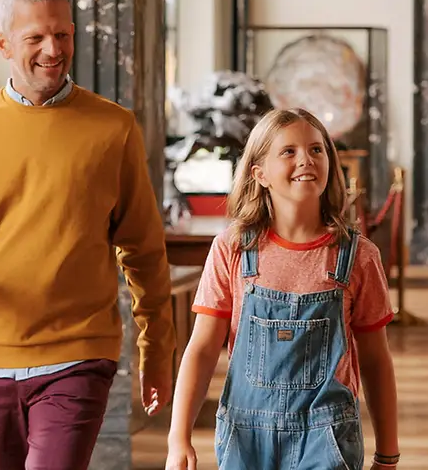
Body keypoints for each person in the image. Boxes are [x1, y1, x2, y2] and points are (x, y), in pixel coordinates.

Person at [0, 0, 174, 470]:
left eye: (63, 35)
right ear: (3, 43)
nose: (53, 50)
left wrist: (156, 352)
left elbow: (144, 250)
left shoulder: (114, 128)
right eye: (36, 38)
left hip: (79, 354)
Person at [164, 108, 402, 470]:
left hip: (327, 439)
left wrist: (388, 453)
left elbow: (375, 360)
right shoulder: (233, 249)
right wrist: (177, 437)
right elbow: (202, 348)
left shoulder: (358, 257)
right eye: (288, 151)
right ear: (259, 173)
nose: (306, 159)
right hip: (245, 440)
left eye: (317, 149)